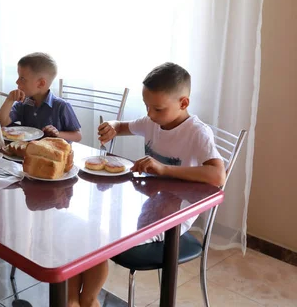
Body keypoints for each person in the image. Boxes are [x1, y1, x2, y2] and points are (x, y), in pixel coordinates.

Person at [67, 62, 224, 307]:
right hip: (148, 205)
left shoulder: (197, 133)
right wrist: (112, 127)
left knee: (95, 238)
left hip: (173, 218)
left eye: (157, 108)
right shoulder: (153, 121)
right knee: (82, 229)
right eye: (146, 106)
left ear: (183, 103)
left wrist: (164, 169)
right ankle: (71, 300)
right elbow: (123, 127)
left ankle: (88, 299)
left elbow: (217, 175)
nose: (150, 114)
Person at [0, 52, 82, 142]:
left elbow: (78, 136)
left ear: (41, 83)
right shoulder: (23, 104)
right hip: (29, 152)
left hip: (53, 153)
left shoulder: (61, 106)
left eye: (22, 78)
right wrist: (9, 100)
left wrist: (57, 133)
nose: (17, 82)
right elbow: (0, 124)